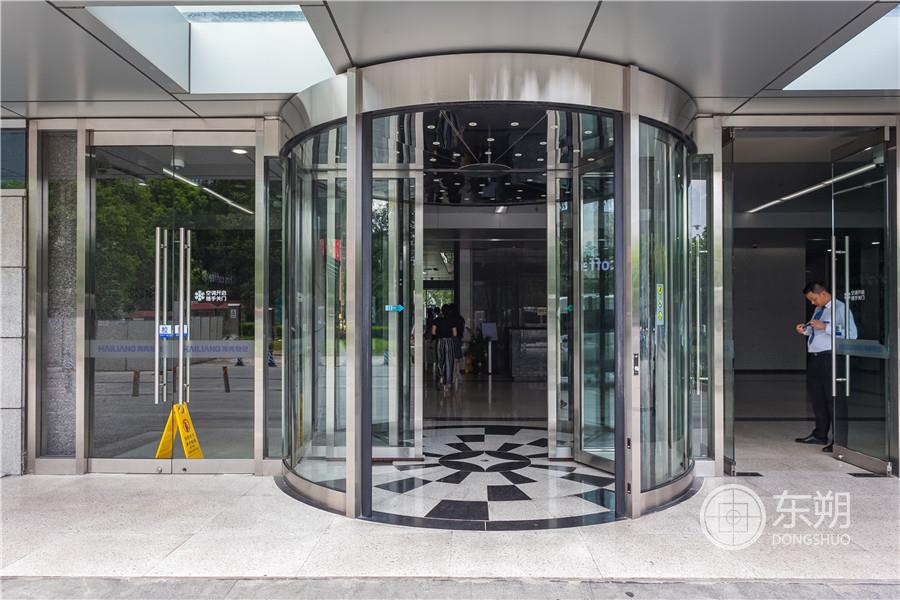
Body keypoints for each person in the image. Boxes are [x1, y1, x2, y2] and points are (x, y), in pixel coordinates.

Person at [793, 281, 857, 453]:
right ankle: (820, 434)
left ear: (822, 293)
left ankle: (839, 440)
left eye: (813, 299)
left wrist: (826, 327)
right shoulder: (819, 309)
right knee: (818, 397)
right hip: (816, 358)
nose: (812, 303)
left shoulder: (840, 308)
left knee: (833, 398)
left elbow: (852, 334)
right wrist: (806, 330)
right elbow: (817, 331)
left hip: (831, 357)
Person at [432, 304, 457, 393]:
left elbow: (433, 332)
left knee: (440, 360)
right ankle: (447, 384)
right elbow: (455, 334)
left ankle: (441, 377)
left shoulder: (437, 320)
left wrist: (439, 334)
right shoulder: (452, 320)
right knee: (449, 362)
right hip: (449, 342)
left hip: (440, 341)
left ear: (442, 311)